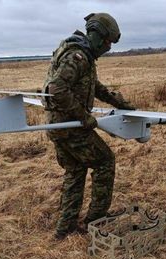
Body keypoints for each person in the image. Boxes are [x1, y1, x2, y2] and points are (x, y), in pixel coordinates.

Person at [42, 13, 135, 240]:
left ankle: (65, 228)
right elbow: (56, 89)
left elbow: (95, 86)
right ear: (97, 36)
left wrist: (121, 103)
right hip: (71, 127)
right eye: (107, 43)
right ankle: (96, 221)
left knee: (75, 170)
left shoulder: (80, 53)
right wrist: (83, 116)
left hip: (58, 127)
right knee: (105, 161)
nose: (108, 48)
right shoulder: (78, 56)